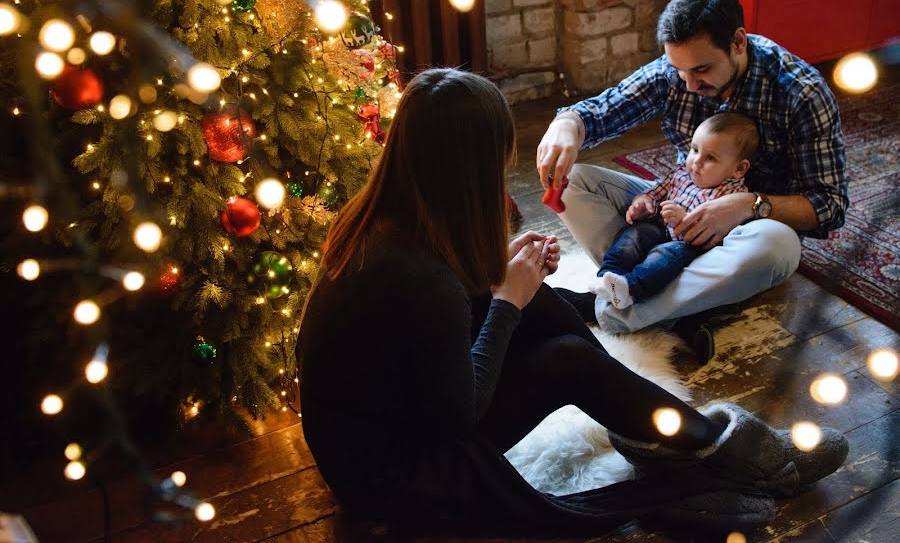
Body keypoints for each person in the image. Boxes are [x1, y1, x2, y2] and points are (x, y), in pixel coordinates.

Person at [297, 68, 847, 534]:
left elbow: (423, 327)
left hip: (386, 425)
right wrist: (506, 301)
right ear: (469, 170)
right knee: (563, 354)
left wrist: (504, 281)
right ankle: (705, 446)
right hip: (395, 479)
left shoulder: (388, 219)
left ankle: (657, 432)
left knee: (540, 307)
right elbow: (454, 418)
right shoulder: (416, 275)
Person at [537, 0, 848, 344]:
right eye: (679, 70)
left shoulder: (800, 92)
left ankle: (613, 309)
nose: (688, 84)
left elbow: (829, 205)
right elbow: (602, 110)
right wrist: (567, 124)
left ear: (738, 42)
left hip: (749, 233)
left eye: (700, 70)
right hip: (674, 214)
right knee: (572, 180)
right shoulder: (678, 72)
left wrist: (749, 205)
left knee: (778, 247)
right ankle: (665, 300)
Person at [592, 112, 758, 362]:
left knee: (665, 255)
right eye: (694, 149)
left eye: (710, 158)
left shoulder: (732, 194)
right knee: (634, 234)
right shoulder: (682, 173)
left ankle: (632, 289)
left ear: (738, 169)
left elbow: (710, 236)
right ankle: (608, 277)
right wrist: (643, 202)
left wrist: (682, 219)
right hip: (660, 228)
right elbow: (655, 192)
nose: (696, 162)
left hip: (689, 247)